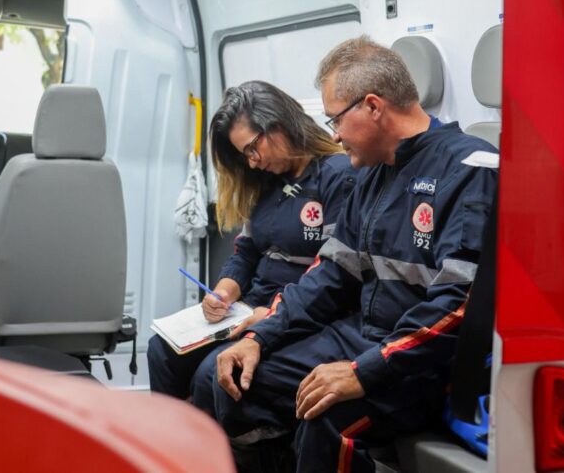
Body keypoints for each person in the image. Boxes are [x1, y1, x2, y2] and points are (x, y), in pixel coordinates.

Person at [196, 36, 498, 473]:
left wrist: (365, 370)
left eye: (336, 118)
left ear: (373, 107)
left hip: (423, 363)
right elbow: (329, 275)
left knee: (326, 418)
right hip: (362, 334)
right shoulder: (372, 175)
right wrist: (261, 337)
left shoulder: (471, 169)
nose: (333, 135)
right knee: (230, 381)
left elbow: (461, 305)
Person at [147, 80, 356, 403]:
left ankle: (224, 451)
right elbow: (246, 253)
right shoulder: (265, 182)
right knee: (161, 350)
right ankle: (169, 450)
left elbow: (332, 274)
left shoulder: (336, 174)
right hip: (249, 305)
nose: (253, 162)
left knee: (209, 374)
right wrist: (224, 292)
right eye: (245, 155)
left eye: (252, 148)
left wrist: (270, 315)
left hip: (298, 309)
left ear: (280, 124)